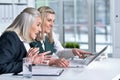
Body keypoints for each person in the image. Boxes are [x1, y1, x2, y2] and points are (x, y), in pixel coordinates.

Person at [0, 7, 51, 74]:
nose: (40, 30)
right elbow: (1, 67)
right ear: (27, 24)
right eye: (38, 25)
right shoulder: (10, 38)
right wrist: (27, 62)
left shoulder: (25, 40)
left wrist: (33, 61)